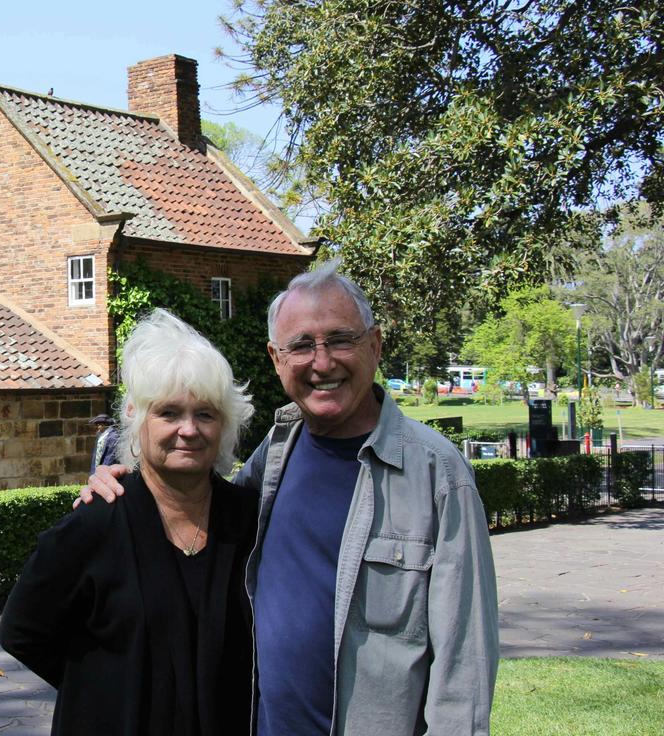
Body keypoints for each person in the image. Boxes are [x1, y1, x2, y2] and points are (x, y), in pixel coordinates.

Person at [80, 261, 500, 735]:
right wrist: (122, 484)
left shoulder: (437, 475)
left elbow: (465, 666)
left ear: (376, 345)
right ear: (277, 359)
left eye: (341, 339)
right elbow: (191, 512)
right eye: (300, 346)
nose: (322, 363)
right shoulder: (274, 455)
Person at [0, 309, 259, 735]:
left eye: (206, 414)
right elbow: (21, 631)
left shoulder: (249, 520)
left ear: (225, 425)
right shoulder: (95, 525)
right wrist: (101, 689)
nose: (189, 430)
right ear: (138, 419)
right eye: (169, 413)